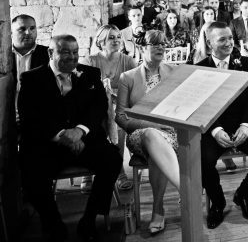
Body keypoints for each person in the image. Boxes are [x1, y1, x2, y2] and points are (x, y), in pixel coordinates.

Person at [18, 35, 123, 242]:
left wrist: (80, 131)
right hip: (50, 144)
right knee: (30, 168)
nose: (72, 57)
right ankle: (53, 223)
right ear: (51, 53)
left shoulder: (90, 74)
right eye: (65, 52)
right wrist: (60, 135)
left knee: (112, 159)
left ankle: (90, 218)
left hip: (85, 140)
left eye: (75, 52)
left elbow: (99, 106)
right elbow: (30, 114)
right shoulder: (31, 79)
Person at [195, 22, 248, 228]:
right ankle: (217, 201)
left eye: (230, 38)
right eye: (222, 39)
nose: (228, 43)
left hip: (243, 125)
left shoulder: (246, 62)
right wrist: (215, 130)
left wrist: (247, 125)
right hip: (214, 127)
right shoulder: (199, 68)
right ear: (209, 43)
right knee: (202, 160)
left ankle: (244, 194)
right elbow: (200, 105)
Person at [116, 30, 181, 235]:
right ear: (143, 48)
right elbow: (120, 116)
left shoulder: (175, 72)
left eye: (163, 44)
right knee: (152, 134)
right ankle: (185, 190)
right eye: (155, 44)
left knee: (157, 148)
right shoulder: (128, 77)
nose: (161, 47)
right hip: (139, 135)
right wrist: (147, 124)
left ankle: (157, 209)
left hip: (170, 133)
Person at [80, 24, 138, 191]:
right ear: (101, 42)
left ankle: (118, 172)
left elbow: (136, 88)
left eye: (118, 37)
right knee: (92, 122)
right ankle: (88, 172)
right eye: (111, 38)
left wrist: (114, 92)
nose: (116, 40)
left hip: (120, 106)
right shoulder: (90, 61)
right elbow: (83, 91)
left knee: (118, 122)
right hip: (96, 106)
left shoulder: (128, 61)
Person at [11, 15, 50, 120]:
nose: (28, 32)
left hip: (39, 119)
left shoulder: (49, 55)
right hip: (6, 119)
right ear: (10, 33)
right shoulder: (3, 56)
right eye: (22, 29)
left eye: (32, 28)